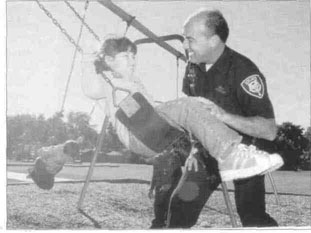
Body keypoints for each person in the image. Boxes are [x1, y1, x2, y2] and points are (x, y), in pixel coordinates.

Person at [81, 35, 283, 183]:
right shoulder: (106, 81)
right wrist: (88, 56)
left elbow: (153, 108)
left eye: (134, 56)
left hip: (154, 132)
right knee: (186, 106)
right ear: (108, 61)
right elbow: (90, 89)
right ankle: (230, 154)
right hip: (137, 134)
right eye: (126, 56)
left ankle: (233, 151)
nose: (132, 61)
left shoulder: (135, 82)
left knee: (195, 105)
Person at [166, 9, 280, 228]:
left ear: (214, 41)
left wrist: (223, 116)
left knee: (252, 216)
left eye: (190, 40)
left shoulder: (243, 71)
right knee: (179, 209)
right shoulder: (192, 67)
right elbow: (193, 115)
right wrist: (193, 147)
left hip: (243, 152)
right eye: (184, 39)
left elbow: (269, 130)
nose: (185, 46)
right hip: (206, 153)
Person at [148, 149, 185, 228]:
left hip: (171, 191)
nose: (168, 148)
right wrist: (151, 189)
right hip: (159, 189)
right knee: (158, 213)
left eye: (170, 145)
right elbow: (155, 175)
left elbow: (179, 177)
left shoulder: (175, 158)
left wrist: (170, 185)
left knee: (168, 213)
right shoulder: (157, 158)